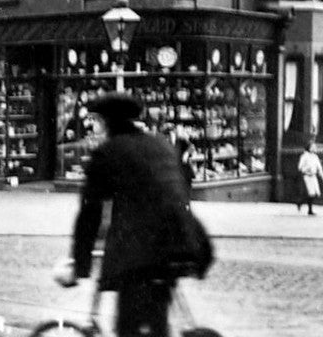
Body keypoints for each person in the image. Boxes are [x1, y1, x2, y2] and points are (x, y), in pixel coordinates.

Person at [62, 93, 213, 337]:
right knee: (155, 323)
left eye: (97, 121)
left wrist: (80, 265)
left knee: (131, 328)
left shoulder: (109, 152)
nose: (94, 127)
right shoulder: (160, 144)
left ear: (107, 122)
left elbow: (89, 213)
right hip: (184, 244)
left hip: (141, 254)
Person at [297, 141, 323, 216]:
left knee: (315, 193)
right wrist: (307, 168)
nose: (314, 148)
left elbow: (319, 168)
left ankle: (301, 202)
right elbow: (300, 167)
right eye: (312, 147)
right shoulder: (304, 156)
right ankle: (309, 209)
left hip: (314, 176)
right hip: (307, 176)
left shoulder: (315, 157)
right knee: (311, 193)